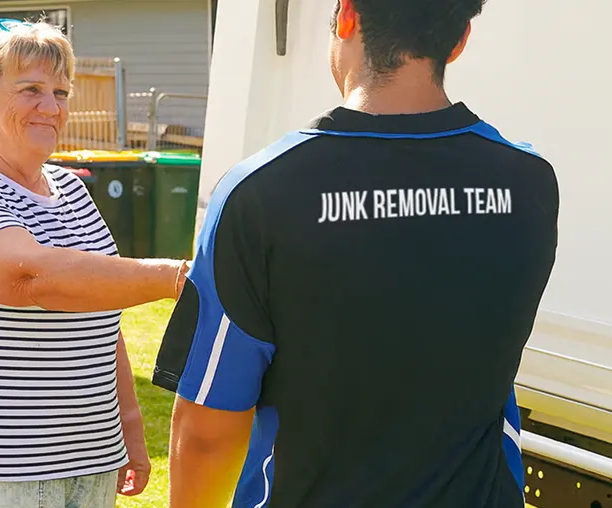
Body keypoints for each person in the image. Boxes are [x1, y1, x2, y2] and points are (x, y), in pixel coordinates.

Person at [152, 0, 560, 506]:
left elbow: (208, 433)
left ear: (346, 15)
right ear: (459, 41)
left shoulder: (260, 192)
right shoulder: (529, 182)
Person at [0, 19, 187, 507]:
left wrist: (129, 429)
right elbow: (29, 277)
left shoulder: (72, 190)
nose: (52, 108)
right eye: (31, 90)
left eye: (60, 93)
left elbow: (100, 307)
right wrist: (178, 278)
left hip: (89, 463)